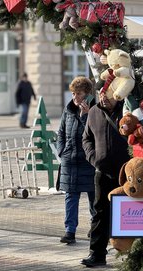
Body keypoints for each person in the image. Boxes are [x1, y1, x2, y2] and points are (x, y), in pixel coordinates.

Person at [80, 91, 129, 267]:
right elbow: (86, 139)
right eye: (101, 94)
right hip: (102, 171)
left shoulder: (128, 110)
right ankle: (97, 254)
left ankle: (132, 256)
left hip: (127, 173)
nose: (103, 98)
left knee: (129, 213)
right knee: (100, 211)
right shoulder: (94, 111)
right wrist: (94, 158)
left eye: (107, 95)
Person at [57, 77, 96, 245]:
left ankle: (96, 227)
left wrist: (85, 116)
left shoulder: (95, 110)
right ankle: (69, 231)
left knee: (93, 196)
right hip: (70, 160)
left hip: (88, 161)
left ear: (87, 94)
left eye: (79, 93)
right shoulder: (68, 110)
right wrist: (61, 151)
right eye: (73, 93)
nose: (75, 97)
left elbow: (93, 133)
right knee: (71, 196)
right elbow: (61, 132)